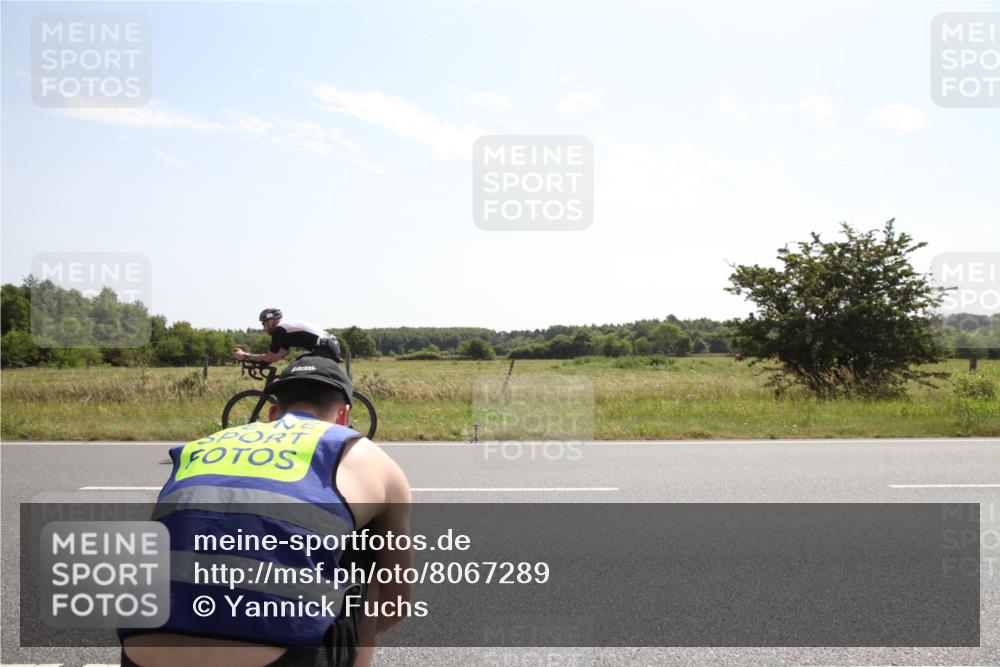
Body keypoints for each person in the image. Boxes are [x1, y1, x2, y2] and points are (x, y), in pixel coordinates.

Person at [120, 356, 412, 667]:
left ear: (273, 413)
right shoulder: (359, 451)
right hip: (274, 655)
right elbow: (394, 603)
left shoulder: (200, 446)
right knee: (364, 547)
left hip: (143, 650)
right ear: (343, 416)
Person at [233, 308, 343, 364]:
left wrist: (246, 355)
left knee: (297, 369)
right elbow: (275, 358)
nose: (264, 328)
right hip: (329, 346)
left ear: (271, 321)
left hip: (325, 348)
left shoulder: (280, 330)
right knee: (295, 365)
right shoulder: (286, 332)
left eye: (264, 323)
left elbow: (270, 357)